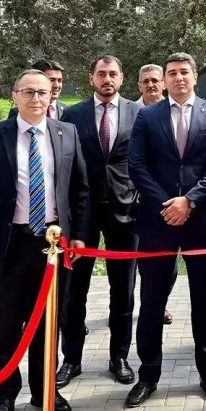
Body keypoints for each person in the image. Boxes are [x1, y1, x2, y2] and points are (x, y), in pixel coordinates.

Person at [0, 69, 90, 411]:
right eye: (28, 92)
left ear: (52, 96)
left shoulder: (67, 133)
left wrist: (79, 236)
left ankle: (44, 390)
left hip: (52, 246)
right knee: (5, 325)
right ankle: (4, 396)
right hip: (8, 245)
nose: (36, 98)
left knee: (47, 324)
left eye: (43, 92)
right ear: (15, 95)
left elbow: (80, 189)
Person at [126, 52, 206, 408]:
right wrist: (167, 204)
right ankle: (148, 375)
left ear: (195, 76)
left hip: (203, 221)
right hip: (158, 222)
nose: (178, 78)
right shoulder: (147, 116)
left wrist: (190, 201)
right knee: (152, 300)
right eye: (171, 73)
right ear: (165, 79)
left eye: (184, 72)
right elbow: (137, 165)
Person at [56, 56, 142, 389]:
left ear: (122, 78)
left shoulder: (138, 113)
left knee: (123, 289)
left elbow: (144, 160)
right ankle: (71, 359)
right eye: (101, 74)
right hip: (83, 213)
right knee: (74, 290)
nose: (107, 79)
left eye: (113, 74)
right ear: (91, 78)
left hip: (126, 211)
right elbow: (64, 164)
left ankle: (119, 357)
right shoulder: (72, 115)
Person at [134, 63, 174, 326]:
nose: (151, 85)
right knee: (141, 260)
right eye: (146, 81)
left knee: (170, 264)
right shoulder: (130, 112)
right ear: (139, 85)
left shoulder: (173, 111)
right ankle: (145, 305)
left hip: (169, 201)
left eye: (155, 80)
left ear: (163, 84)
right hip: (133, 199)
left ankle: (161, 303)